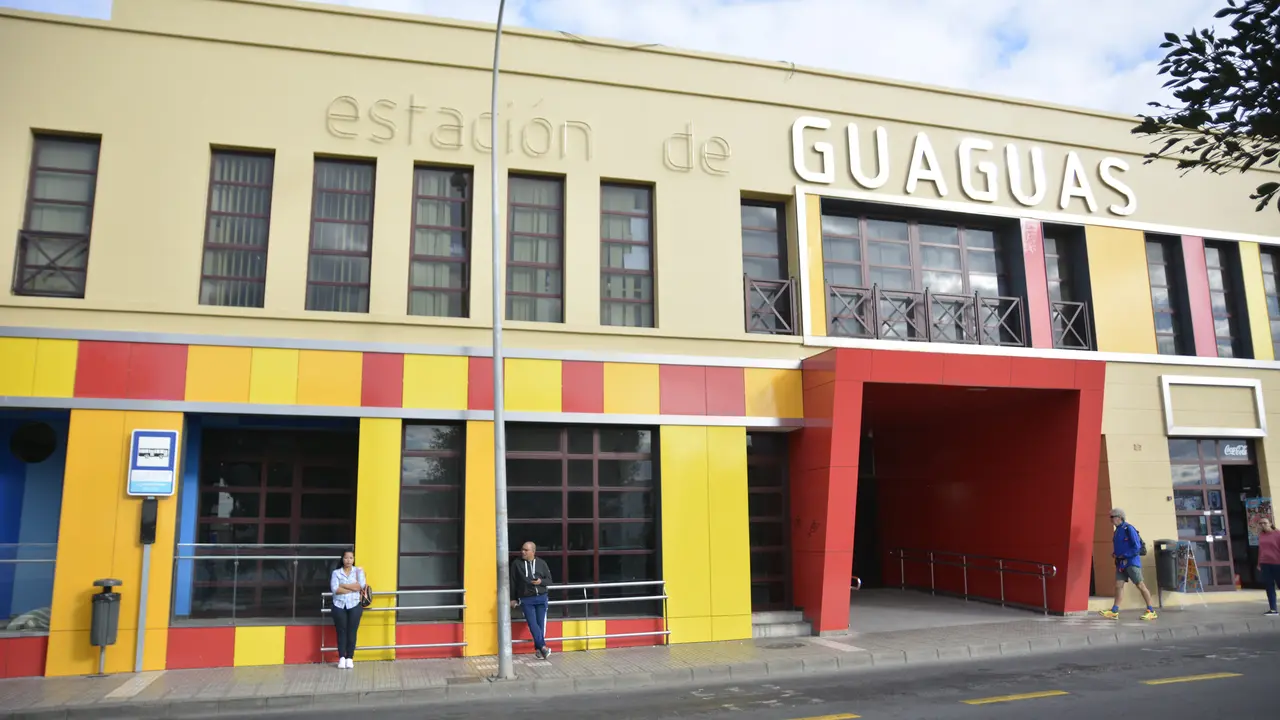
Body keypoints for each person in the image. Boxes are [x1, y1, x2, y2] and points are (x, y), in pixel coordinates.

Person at [1099, 508, 1157, 621]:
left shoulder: (1129, 528)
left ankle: (1151, 610)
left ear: (1119, 517)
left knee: (1140, 585)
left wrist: (1125, 555)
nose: (1110, 520)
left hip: (1131, 563)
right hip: (1121, 564)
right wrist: (1115, 554)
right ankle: (1114, 611)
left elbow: (1137, 547)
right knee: (1118, 586)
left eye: (1112, 517)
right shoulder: (1117, 531)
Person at [510, 541, 553, 659]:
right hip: (526, 598)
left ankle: (539, 650)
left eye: (526, 550)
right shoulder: (516, 564)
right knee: (532, 624)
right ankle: (543, 647)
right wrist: (513, 598)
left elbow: (549, 580)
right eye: (522, 549)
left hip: (541, 597)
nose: (522, 552)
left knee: (540, 625)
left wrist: (540, 582)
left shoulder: (541, 563)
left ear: (533, 552)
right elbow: (512, 582)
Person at [329, 549, 367, 669]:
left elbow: (360, 586)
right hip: (339, 605)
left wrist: (343, 585)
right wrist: (352, 588)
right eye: (346, 558)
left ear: (354, 559)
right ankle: (341, 658)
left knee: (352, 631)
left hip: (354, 605)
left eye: (351, 558)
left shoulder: (358, 571)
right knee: (341, 631)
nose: (348, 560)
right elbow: (335, 589)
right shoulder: (336, 573)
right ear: (342, 559)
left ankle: (350, 657)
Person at [1256, 517, 1280, 616]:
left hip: (1277, 563)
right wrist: (1259, 563)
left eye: (1265, 523)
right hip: (1265, 563)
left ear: (1270, 523)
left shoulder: (1277, 534)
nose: (1263, 525)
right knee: (1269, 586)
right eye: (1260, 523)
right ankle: (1273, 609)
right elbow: (1261, 550)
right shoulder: (1261, 535)